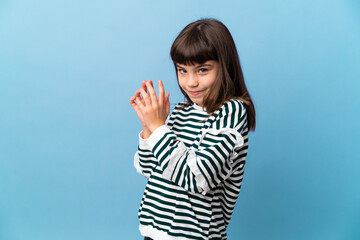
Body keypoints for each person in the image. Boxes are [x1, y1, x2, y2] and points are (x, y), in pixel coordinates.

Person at [129, 18, 256, 240]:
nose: (191, 82)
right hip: (154, 233)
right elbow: (149, 169)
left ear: (224, 66)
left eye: (202, 70)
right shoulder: (180, 111)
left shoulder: (231, 112)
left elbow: (197, 178)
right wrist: (149, 128)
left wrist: (159, 129)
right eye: (182, 70)